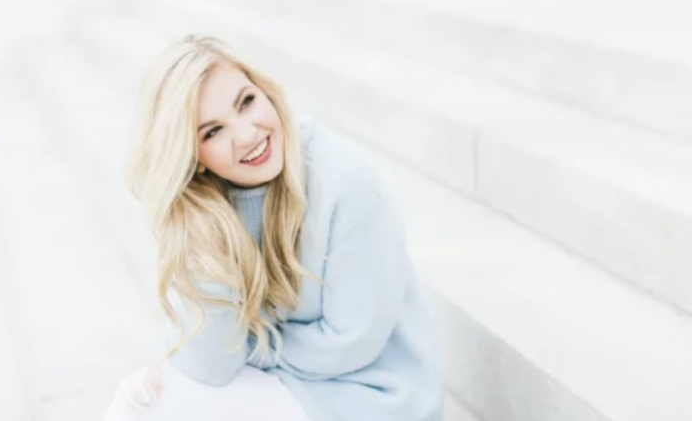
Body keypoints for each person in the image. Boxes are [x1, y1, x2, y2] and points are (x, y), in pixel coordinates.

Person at [102, 35, 444, 421]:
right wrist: (204, 233)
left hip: (374, 395)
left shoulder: (345, 182)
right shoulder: (214, 204)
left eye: (246, 102)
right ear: (192, 157)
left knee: (166, 401)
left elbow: (351, 343)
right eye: (213, 132)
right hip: (297, 387)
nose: (247, 135)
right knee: (142, 397)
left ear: (264, 91)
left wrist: (248, 348)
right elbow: (211, 360)